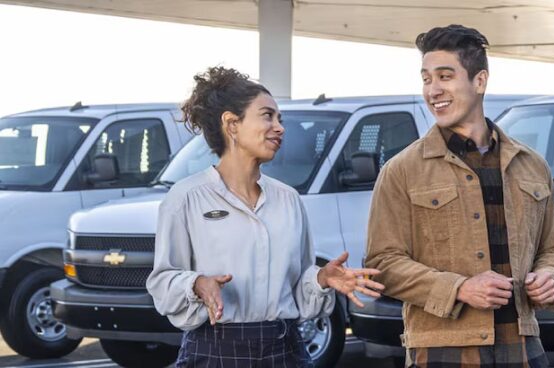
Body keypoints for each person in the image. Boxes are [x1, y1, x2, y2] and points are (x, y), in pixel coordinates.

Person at [146, 66, 384, 368]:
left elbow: (298, 288)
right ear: (232, 124)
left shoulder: (288, 199)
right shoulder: (186, 198)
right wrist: (197, 284)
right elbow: (162, 281)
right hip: (214, 351)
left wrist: (321, 279)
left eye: (279, 119)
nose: (280, 127)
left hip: (285, 350)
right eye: (267, 116)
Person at [365, 25, 554, 367]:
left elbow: (553, 249)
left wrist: (551, 278)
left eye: (445, 76)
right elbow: (382, 264)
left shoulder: (532, 165)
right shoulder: (401, 170)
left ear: (480, 81)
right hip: (441, 349)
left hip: (523, 348)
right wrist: (459, 288)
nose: (433, 90)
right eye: (426, 79)